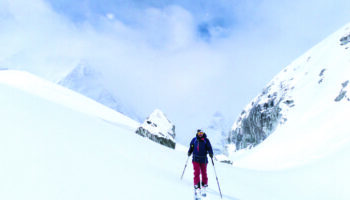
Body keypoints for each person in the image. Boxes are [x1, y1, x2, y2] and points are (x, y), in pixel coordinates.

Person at [187, 129, 214, 196]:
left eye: (201, 133)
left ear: (203, 133)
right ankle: (196, 184)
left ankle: (204, 183)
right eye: (199, 133)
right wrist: (189, 151)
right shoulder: (194, 140)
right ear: (197, 133)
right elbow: (191, 146)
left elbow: (209, 148)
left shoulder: (206, 140)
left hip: (203, 159)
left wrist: (211, 153)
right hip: (195, 159)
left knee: (204, 172)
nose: (200, 134)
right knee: (196, 172)